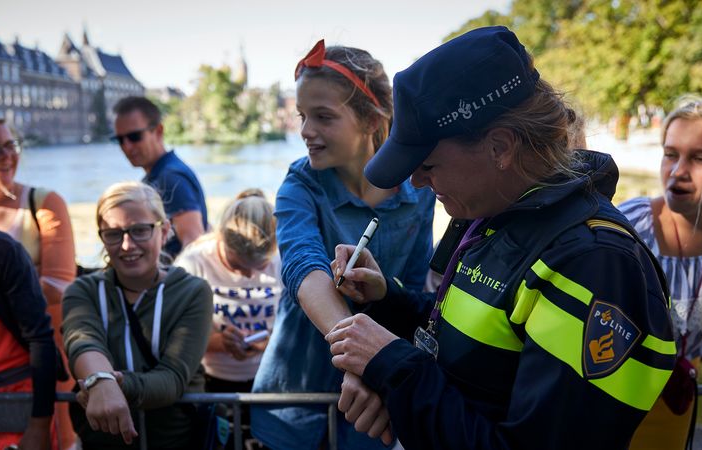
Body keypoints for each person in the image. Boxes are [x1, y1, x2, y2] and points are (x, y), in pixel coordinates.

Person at [324, 26, 676, 449]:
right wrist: (388, 301)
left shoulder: (594, 264)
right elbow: (475, 346)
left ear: (500, 148)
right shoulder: (505, 215)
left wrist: (394, 365)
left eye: (429, 164)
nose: (416, 182)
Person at [250, 39, 436, 450]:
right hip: (294, 396)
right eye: (301, 116)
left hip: (374, 402)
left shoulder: (419, 191)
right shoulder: (300, 183)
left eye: (322, 117)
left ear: (372, 120)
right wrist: (357, 356)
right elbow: (303, 269)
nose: (304, 132)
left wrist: (376, 364)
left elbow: (407, 293)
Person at [618, 93, 702, 449]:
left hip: (676, 396)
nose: (677, 171)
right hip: (607, 391)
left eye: (700, 158)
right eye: (670, 154)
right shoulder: (632, 224)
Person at [0, 111, 77, 449]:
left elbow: (62, 285)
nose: (8, 156)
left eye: (11, 145)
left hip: (41, 359)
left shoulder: (42, 203)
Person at [62, 181, 211, 449]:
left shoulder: (192, 292)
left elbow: (173, 377)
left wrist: (105, 384)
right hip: (102, 443)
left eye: (140, 231)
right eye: (113, 234)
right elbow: (83, 341)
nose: (127, 245)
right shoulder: (82, 291)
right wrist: (100, 379)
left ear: (164, 231)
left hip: (176, 441)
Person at [175, 188, 281, 446]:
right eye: (236, 265)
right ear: (220, 239)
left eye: (258, 267)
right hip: (213, 383)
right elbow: (174, 332)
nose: (247, 275)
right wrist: (218, 342)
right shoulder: (194, 262)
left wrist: (273, 343)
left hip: (271, 380)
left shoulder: (284, 256)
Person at [112, 96, 208, 259]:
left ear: (158, 131)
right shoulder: (159, 175)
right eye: (120, 140)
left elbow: (194, 244)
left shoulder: (170, 178)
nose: (127, 146)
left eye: (134, 137)